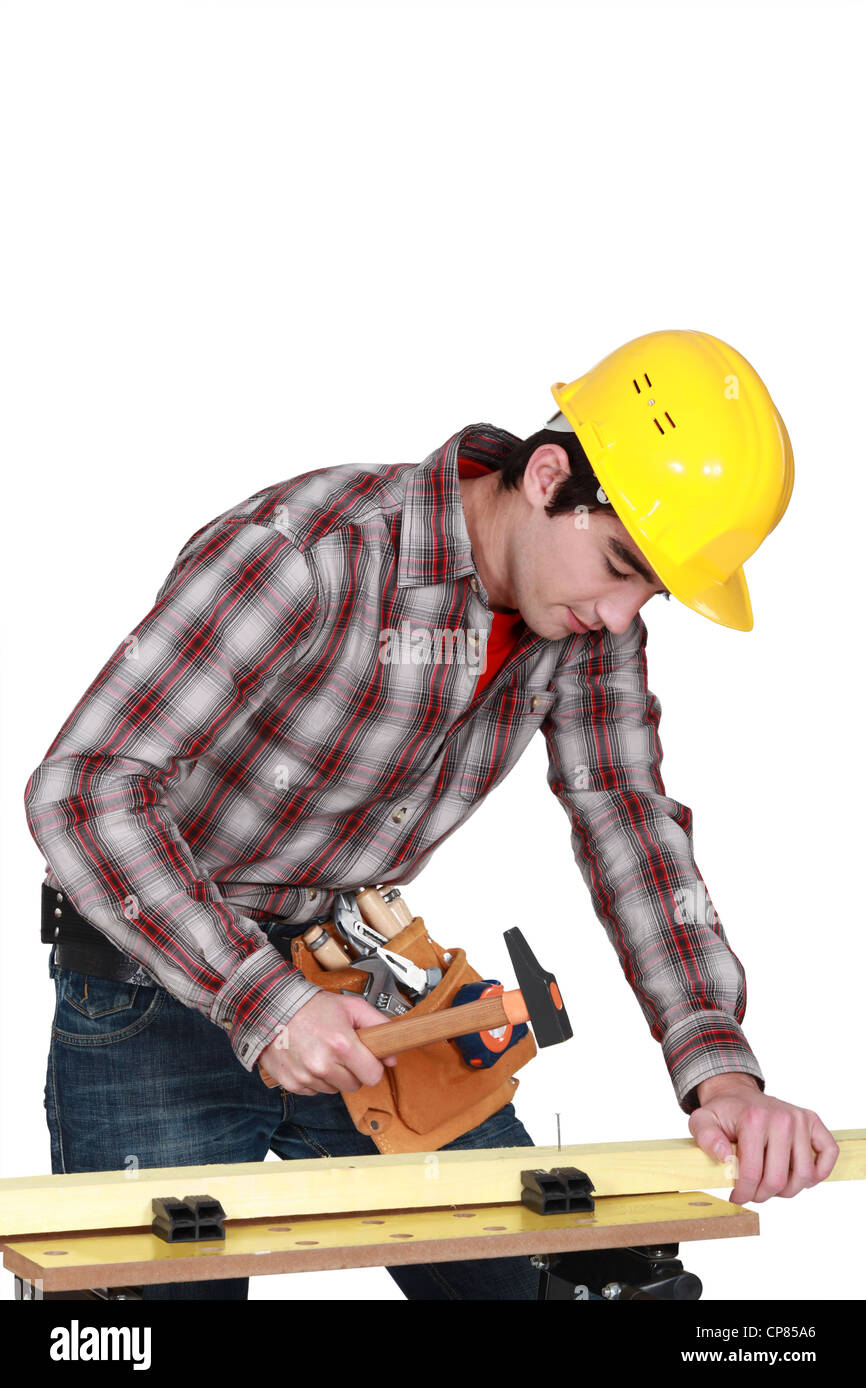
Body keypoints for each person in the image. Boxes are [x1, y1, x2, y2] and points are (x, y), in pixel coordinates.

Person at [24, 329, 838, 1302]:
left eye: (648, 590)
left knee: (551, 1283)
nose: (623, 616)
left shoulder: (580, 620)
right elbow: (83, 787)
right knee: (146, 1326)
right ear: (545, 477)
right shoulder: (307, 557)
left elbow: (626, 821)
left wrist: (720, 1076)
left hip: (354, 978)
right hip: (156, 986)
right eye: (620, 562)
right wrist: (260, 997)